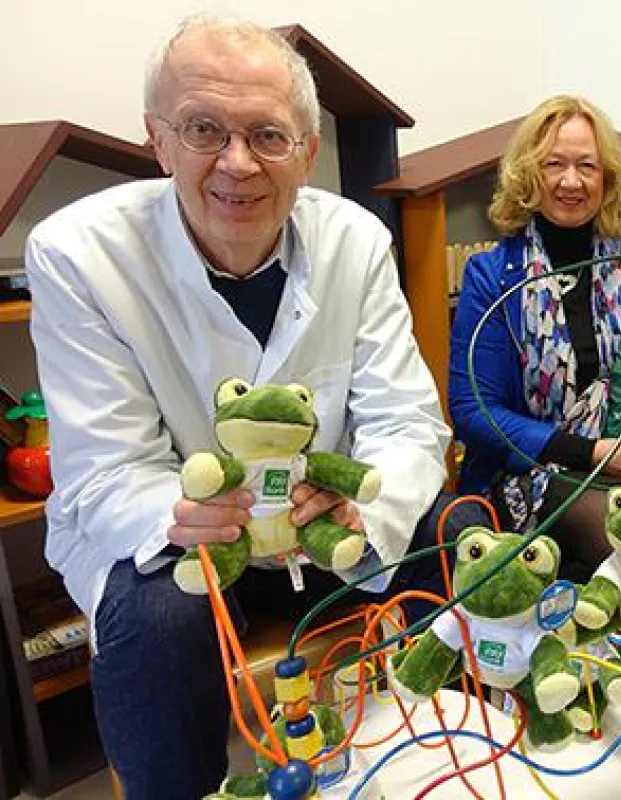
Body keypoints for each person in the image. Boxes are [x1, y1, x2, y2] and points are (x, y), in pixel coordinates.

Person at [25, 15, 485, 799]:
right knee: (161, 624)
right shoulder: (79, 252)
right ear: (157, 139)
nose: (236, 164)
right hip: (179, 534)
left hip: (326, 525)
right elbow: (106, 472)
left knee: (466, 538)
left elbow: (407, 422)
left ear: (306, 153)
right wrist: (196, 514)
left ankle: (439, 764)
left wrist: (360, 500)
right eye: (203, 129)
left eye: (268, 136)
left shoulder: (355, 240)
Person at [449, 95, 621, 579]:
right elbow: (473, 411)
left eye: (587, 166)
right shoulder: (493, 275)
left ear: (607, 177)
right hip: (535, 472)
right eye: (555, 164)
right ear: (529, 174)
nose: (571, 181)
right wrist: (589, 452)